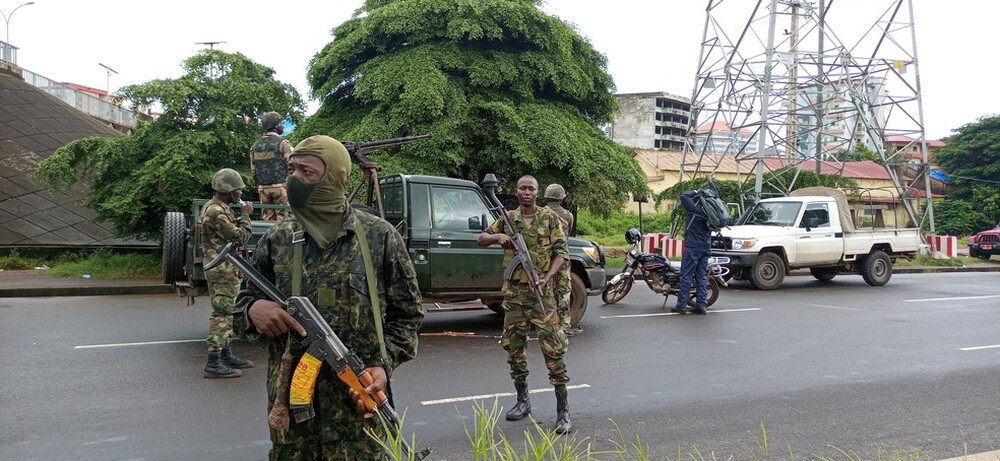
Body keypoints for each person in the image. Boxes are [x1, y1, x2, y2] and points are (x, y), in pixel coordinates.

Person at [233, 135, 424, 459]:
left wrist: (382, 364)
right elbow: (239, 310)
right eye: (291, 170)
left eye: (306, 172)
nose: (294, 180)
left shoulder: (379, 237)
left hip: (359, 414)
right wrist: (253, 310)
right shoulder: (277, 240)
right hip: (293, 424)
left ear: (334, 177)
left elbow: (409, 316)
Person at [478, 175, 573, 434]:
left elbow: (562, 253)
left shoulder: (549, 218)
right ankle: (523, 401)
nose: (527, 192)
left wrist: (546, 277)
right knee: (514, 350)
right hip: (514, 298)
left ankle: (563, 411)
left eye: (531, 188)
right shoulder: (508, 218)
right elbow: (481, 239)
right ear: (517, 192)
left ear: (537, 192)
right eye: (523, 188)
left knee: (554, 351)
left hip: (542, 297)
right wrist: (499, 238)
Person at [201, 168, 255, 378]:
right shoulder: (216, 211)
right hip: (222, 269)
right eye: (238, 191)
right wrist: (246, 216)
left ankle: (225, 354)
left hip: (223, 267)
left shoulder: (217, 207)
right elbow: (240, 237)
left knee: (228, 312)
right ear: (230, 191)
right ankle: (213, 362)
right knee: (222, 314)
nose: (240, 194)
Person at [542, 183, 582, 337]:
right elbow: (568, 234)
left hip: (545, 259)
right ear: (561, 198)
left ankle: (547, 325)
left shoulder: (540, 214)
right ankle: (564, 327)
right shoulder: (568, 215)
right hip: (562, 258)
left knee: (547, 292)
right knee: (564, 292)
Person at [672, 189, 713, 315]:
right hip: (705, 247)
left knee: (686, 276)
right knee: (702, 277)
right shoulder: (710, 212)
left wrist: (694, 191)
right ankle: (701, 305)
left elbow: (683, 196)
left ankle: (681, 305)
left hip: (693, 247)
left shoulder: (695, 209)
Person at [249, 111, 293, 221]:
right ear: (276, 126)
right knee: (285, 221)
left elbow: (253, 170)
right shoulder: (283, 143)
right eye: (281, 123)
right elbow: (293, 166)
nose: (283, 126)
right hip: (282, 188)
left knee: (267, 221)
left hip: (263, 188)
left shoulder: (255, 146)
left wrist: (259, 186)